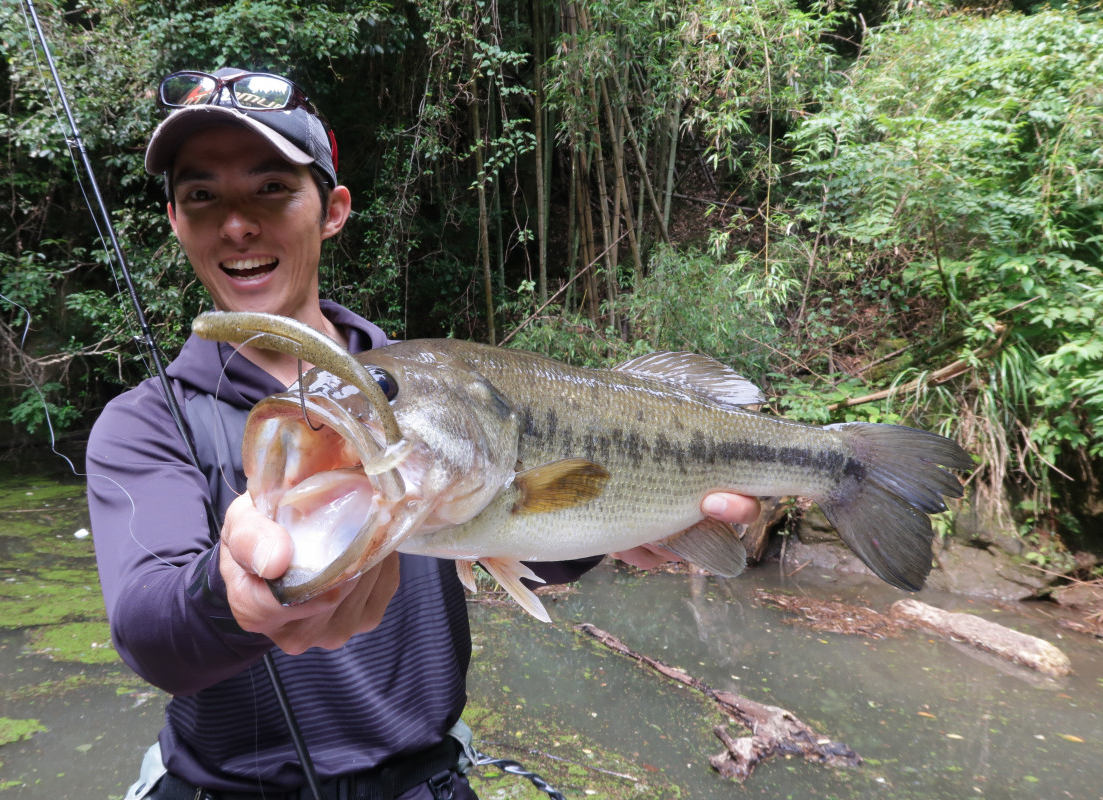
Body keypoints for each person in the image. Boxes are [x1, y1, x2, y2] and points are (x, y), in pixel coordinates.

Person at [86, 67, 762, 800]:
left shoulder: (438, 389)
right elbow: (149, 629)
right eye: (201, 196)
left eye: (272, 187)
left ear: (333, 210)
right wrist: (228, 595)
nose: (238, 222)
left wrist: (617, 524)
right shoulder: (144, 423)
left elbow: (499, 525)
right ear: (175, 221)